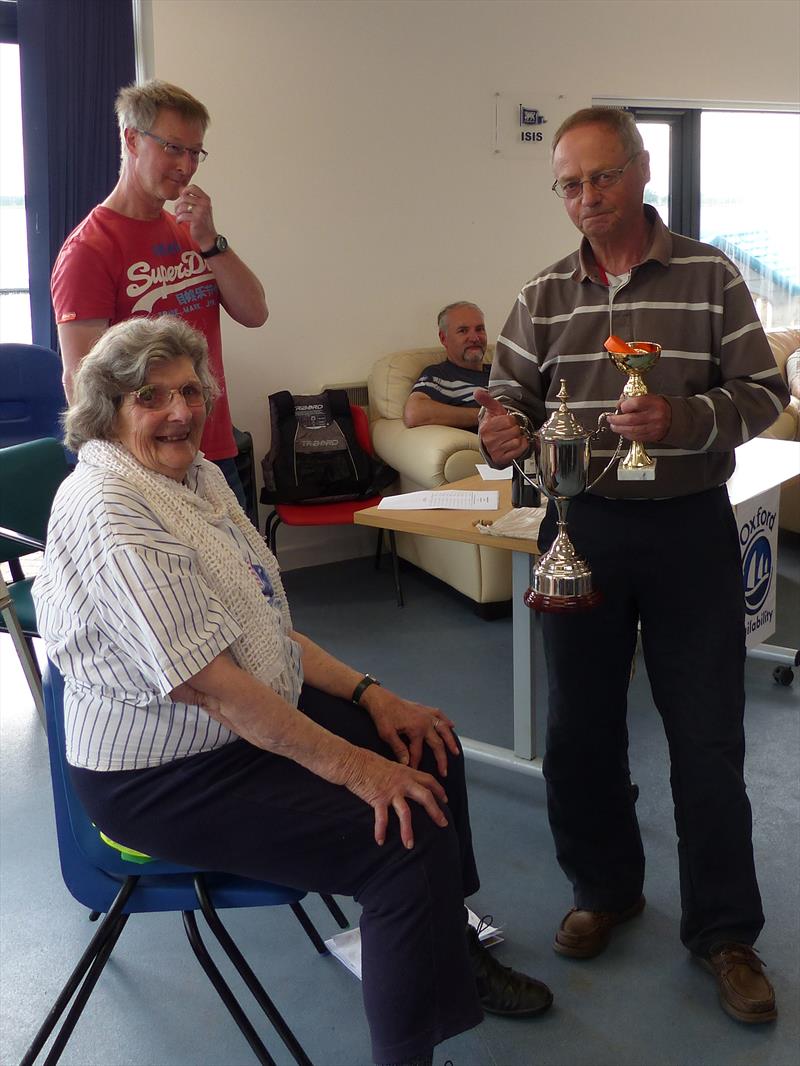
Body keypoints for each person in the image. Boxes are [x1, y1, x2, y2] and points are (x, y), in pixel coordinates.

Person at [32, 315, 553, 1066]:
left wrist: (376, 698)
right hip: (164, 774)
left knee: (429, 746)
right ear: (109, 412)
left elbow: (267, 632)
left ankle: (451, 945)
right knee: (402, 836)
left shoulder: (195, 476)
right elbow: (215, 690)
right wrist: (358, 767)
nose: (180, 411)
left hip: (241, 718)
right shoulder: (113, 510)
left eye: (188, 390)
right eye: (151, 397)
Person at [476, 107, 789, 1025]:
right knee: (578, 729)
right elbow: (506, 396)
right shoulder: (541, 294)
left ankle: (726, 933)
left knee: (707, 733)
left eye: (600, 178)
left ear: (641, 170)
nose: (586, 198)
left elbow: (766, 392)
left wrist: (684, 420)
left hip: (688, 525)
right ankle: (605, 888)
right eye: (569, 184)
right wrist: (498, 430)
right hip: (581, 529)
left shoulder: (707, 275)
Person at [51, 78, 267, 506]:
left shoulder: (191, 232)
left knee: (242, 573)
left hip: (211, 451)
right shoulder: (89, 250)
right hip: (146, 460)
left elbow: (255, 311)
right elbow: (81, 381)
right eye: (173, 148)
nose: (186, 166)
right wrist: (121, 472)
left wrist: (211, 241)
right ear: (132, 139)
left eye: (195, 152)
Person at [403, 302, 490, 429]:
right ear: (444, 338)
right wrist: (486, 415)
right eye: (463, 331)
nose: (474, 338)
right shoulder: (439, 375)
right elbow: (414, 413)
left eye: (479, 329)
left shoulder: (502, 370)